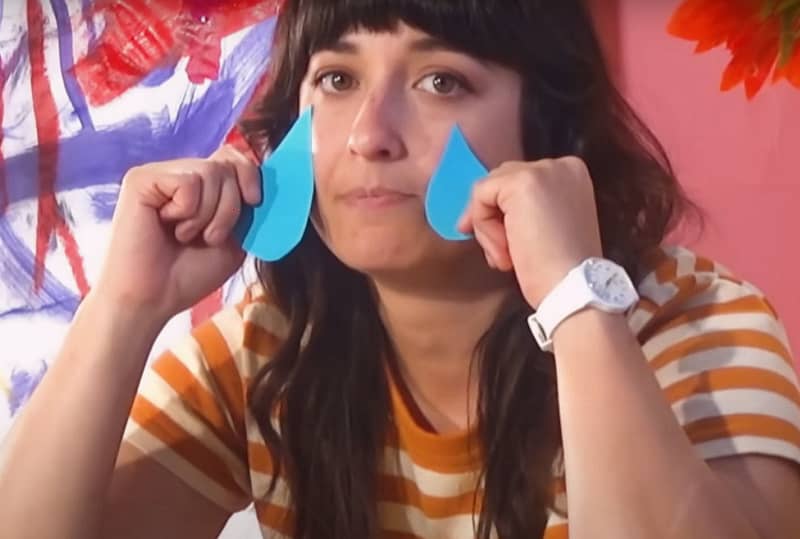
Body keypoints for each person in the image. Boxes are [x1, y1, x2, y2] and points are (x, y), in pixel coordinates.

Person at [2, 0, 800, 538]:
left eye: (440, 79)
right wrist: (124, 305)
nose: (368, 136)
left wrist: (575, 299)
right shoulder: (267, 345)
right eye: (338, 80)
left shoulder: (696, 322)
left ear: (550, 130)